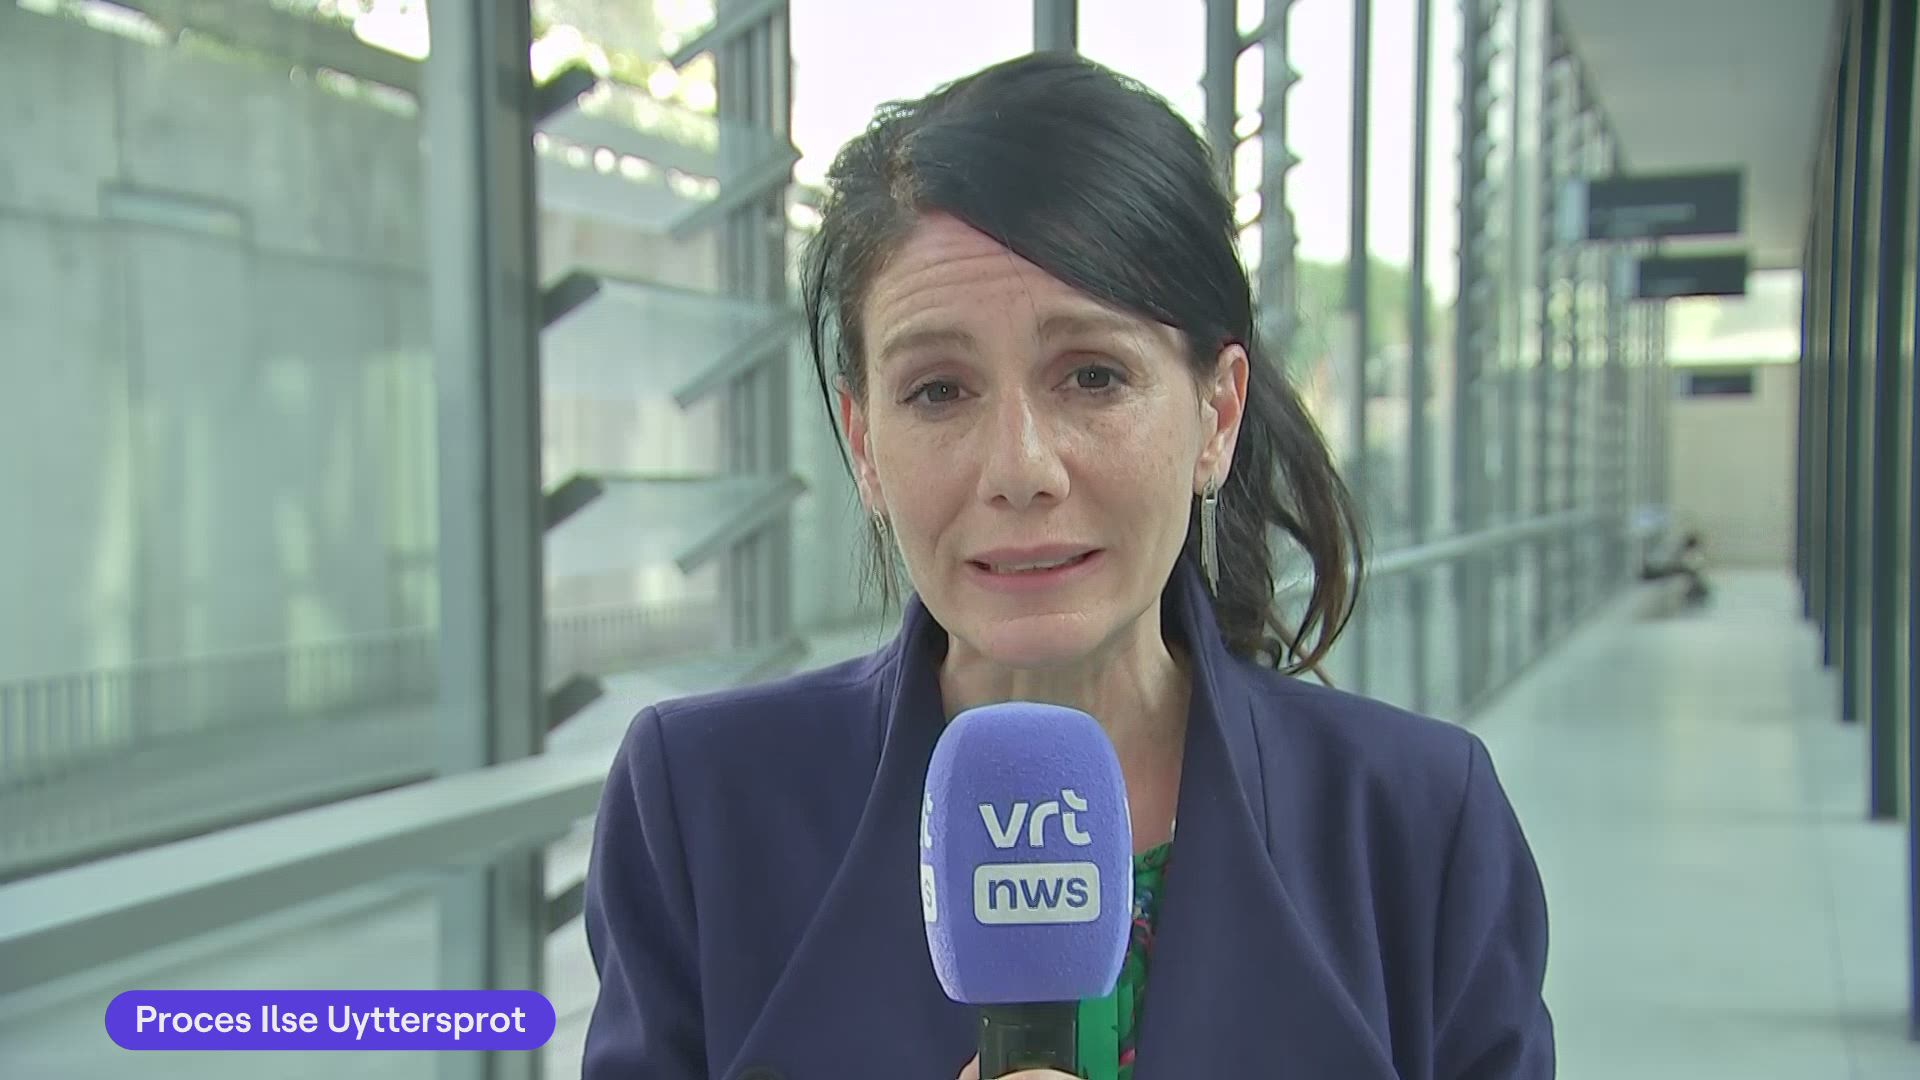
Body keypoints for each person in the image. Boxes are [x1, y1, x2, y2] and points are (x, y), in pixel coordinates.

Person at [581, 52, 1553, 1080]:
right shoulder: (702, 809)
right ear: (864, 443)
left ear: (1216, 413)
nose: (1020, 469)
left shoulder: (1418, 827)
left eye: (1092, 375)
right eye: (939, 391)